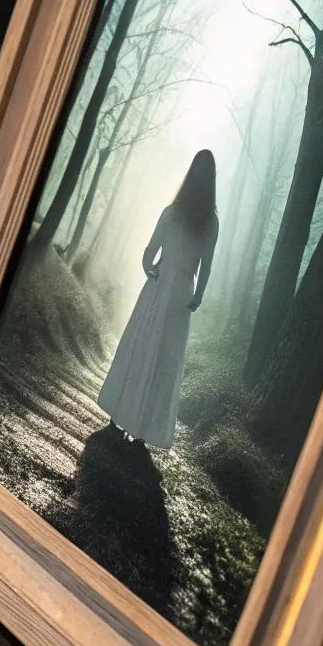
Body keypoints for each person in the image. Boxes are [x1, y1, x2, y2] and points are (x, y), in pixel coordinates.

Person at [97, 149, 219, 451]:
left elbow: (149, 251)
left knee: (141, 347)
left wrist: (150, 270)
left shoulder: (172, 211)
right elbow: (206, 266)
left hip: (159, 284)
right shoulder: (210, 222)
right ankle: (142, 432)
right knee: (164, 358)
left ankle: (119, 415)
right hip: (180, 295)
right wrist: (198, 297)